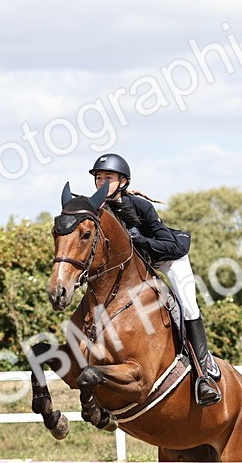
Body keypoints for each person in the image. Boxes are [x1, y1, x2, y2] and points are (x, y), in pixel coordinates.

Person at [89, 153, 221, 406]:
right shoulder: (98, 210)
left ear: (123, 181)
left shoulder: (140, 207)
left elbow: (171, 246)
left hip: (168, 259)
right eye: (99, 178)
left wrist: (140, 240)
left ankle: (203, 373)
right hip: (135, 268)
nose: (102, 182)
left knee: (188, 305)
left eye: (108, 177)